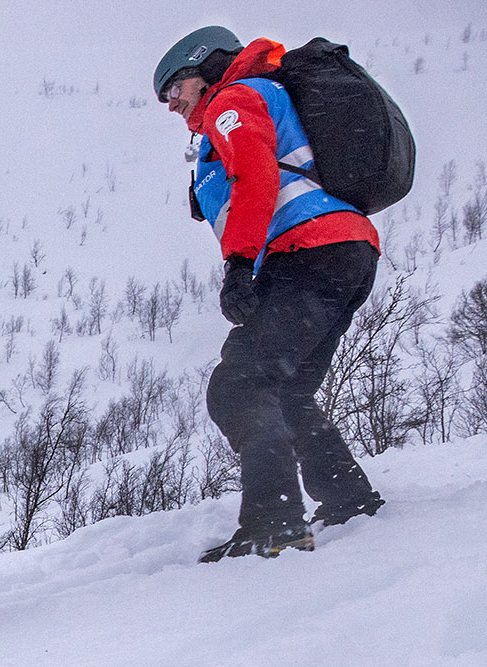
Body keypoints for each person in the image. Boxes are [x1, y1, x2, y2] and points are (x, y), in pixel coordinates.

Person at [155, 27, 385, 560]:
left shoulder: (233, 99)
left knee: (238, 387)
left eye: (175, 88)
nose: (172, 104)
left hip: (308, 251)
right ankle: (349, 500)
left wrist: (237, 264)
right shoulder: (262, 99)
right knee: (287, 390)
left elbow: (256, 174)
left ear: (207, 67)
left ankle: (274, 523)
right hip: (345, 251)